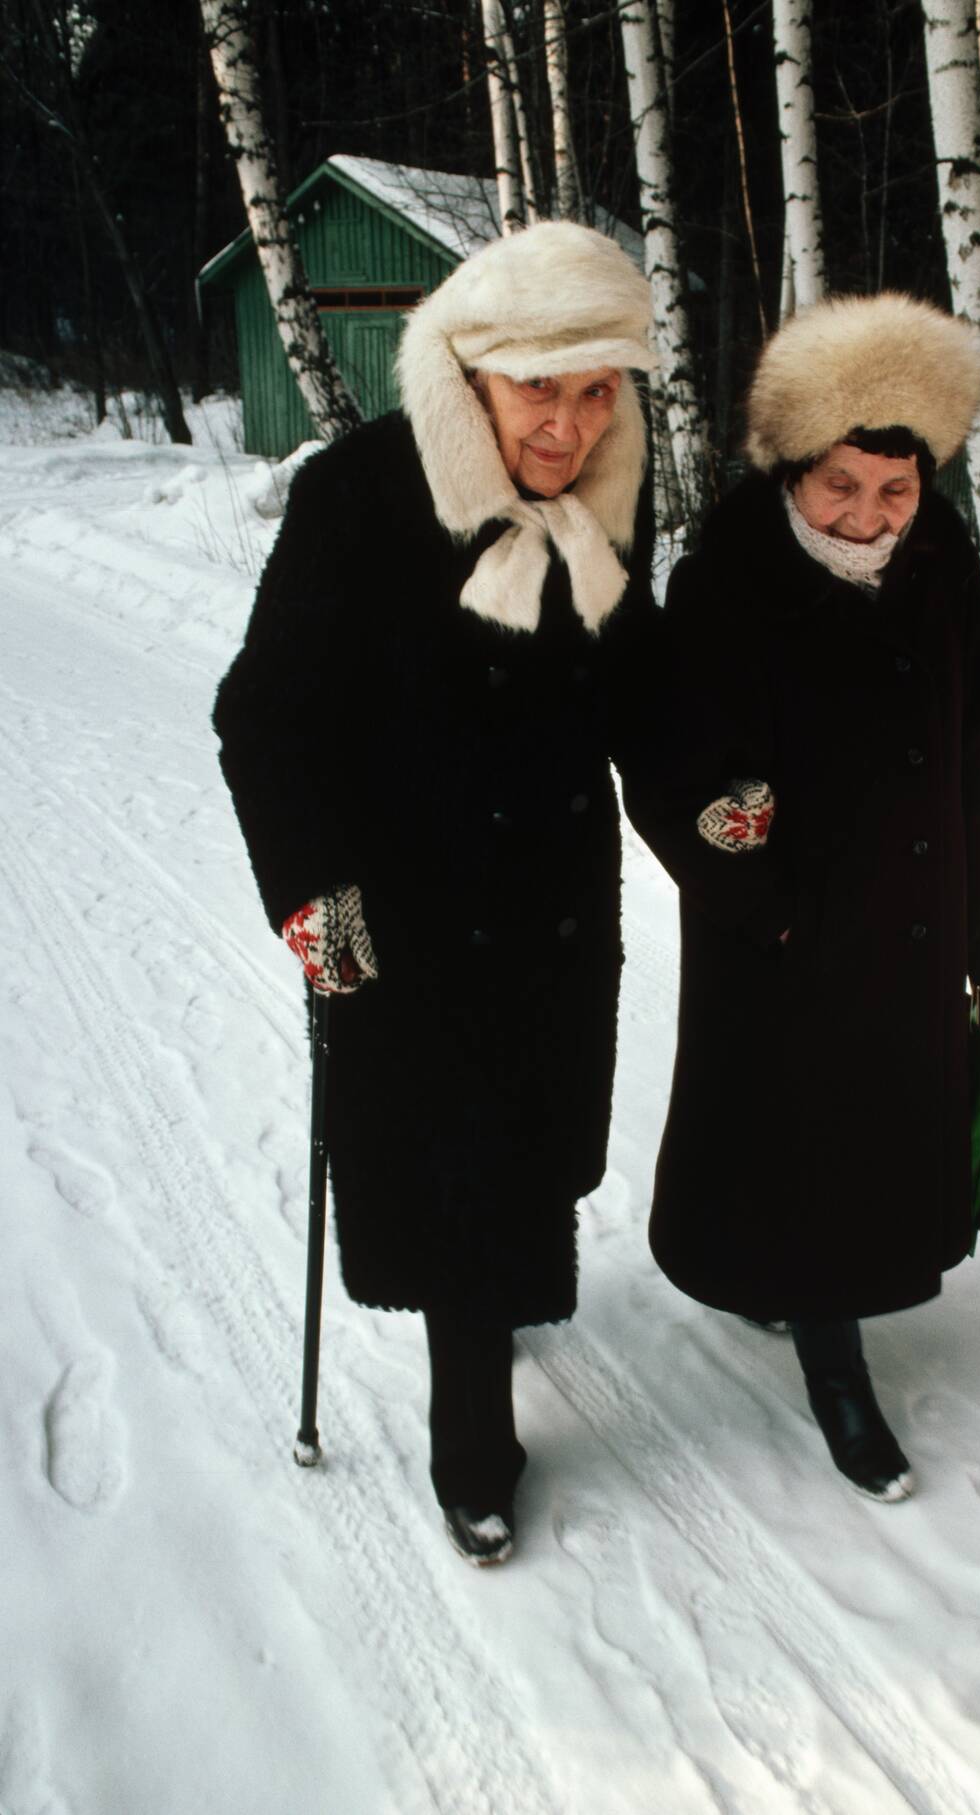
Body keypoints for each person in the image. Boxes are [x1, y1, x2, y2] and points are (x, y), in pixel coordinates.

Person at [212, 222, 658, 1564]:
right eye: (543, 391)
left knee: (528, 1154)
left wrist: (717, 790)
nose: (571, 426)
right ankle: (474, 1437)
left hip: (552, 910)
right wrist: (319, 912)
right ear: (474, 373)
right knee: (461, 1179)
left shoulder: (609, 491)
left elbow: (639, 680)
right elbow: (266, 720)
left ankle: (496, 1303)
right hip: (407, 915)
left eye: (597, 392)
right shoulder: (361, 493)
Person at [624, 292, 980, 1502]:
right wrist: (762, 901)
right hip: (784, 928)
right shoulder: (729, 578)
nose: (871, 517)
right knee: (799, 1137)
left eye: (897, 491)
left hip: (911, 911)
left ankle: (809, 1294)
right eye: (842, 486)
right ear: (795, 465)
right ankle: (838, 1372)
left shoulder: (943, 559)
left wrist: (978, 898)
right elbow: (675, 765)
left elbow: (972, 745)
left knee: (874, 1135)